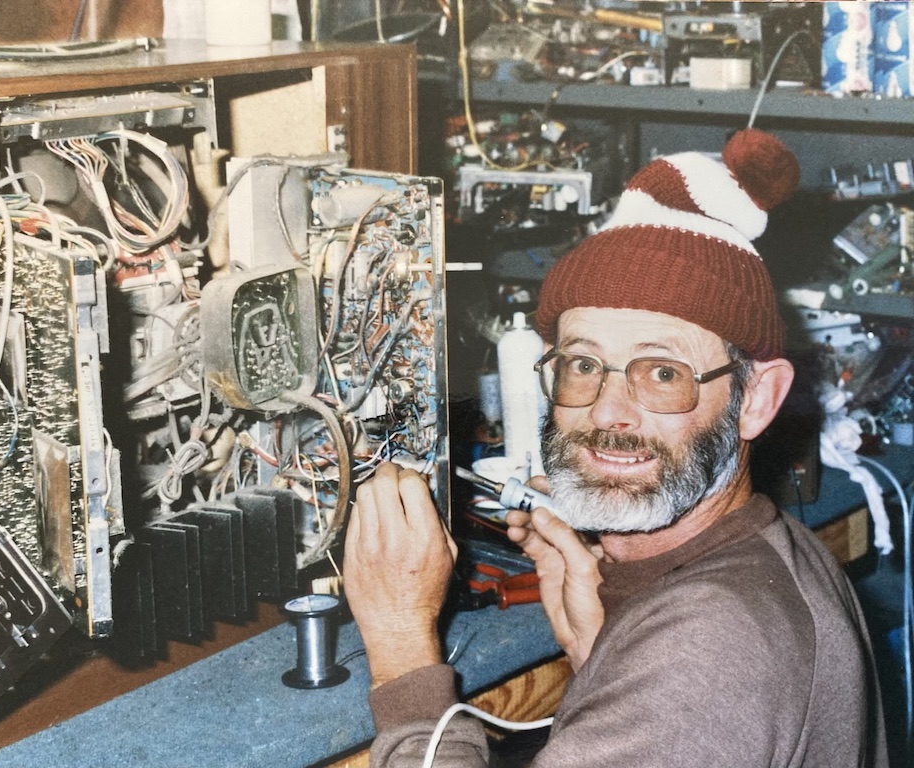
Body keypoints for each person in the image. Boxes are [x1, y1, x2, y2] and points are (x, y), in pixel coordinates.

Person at [343, 128, 890, 767]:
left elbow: (692, 693)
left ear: (757, 400)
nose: (606, 411)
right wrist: (605, 653)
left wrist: (403, 647)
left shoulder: (705, 652)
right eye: (581, 364)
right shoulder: (777, 550)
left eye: (663, 374)